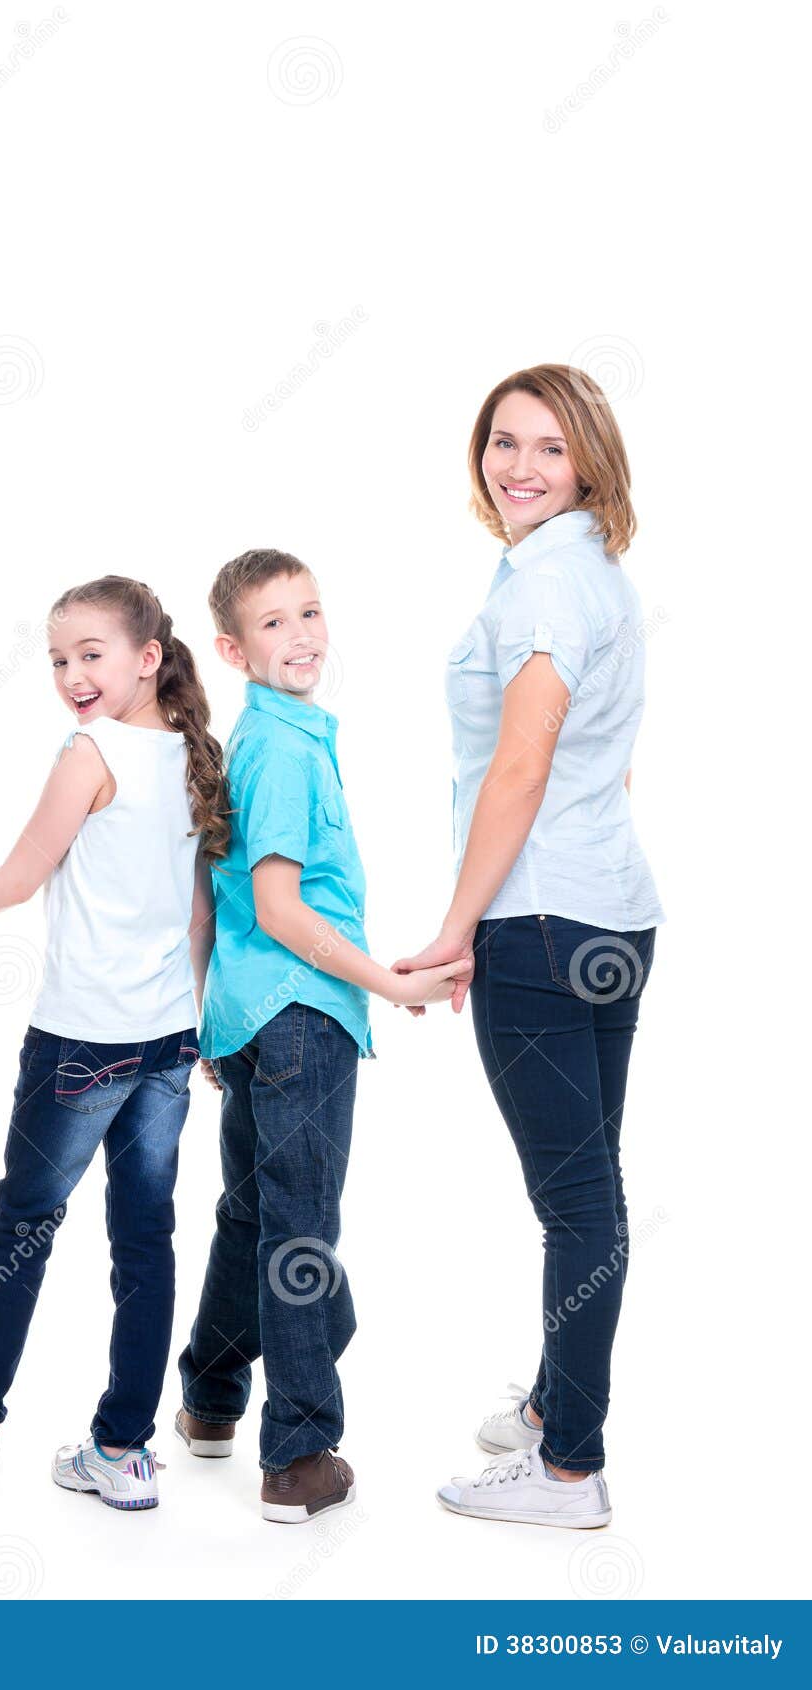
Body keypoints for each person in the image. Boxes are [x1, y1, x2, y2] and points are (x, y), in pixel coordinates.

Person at [0, 576, 225, 1512]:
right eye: (58, 660)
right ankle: (125, 1448)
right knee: (146, 1241)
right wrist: (198, 1021)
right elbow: (197, 914)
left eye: (90, 654)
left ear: (147, 658)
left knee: (22, 1227)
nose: (71, 675)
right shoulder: (188, 755)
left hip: (80, 1042)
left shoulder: (89, 751)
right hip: (164, 1042)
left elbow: (22, 878)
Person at [395, 365, 663, 1529]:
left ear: (588, 464)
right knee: (591, 1185)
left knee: (576, 1206)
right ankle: (556, 1407)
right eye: (502, 442)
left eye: (548, 449)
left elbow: (521, 765)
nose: (517, 466)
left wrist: (456, 930)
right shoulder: (589, 574)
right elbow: (595, 761)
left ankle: (567, 1470)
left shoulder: (541, 595)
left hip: (540, 923)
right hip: (609, 912)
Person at [173, 549, 468, 1524]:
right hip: (301, 1017)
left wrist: (215, 1017)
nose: (298, 635)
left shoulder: (264, 737)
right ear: (230, 645)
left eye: (307, 612)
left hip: (253, 1016)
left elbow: (214, 906)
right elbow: (279, 905)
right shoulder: (286, 751)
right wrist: (388, 982)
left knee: (255, 1219)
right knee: (299, 1234)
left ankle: (212, 1400)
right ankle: (298, 1456)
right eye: (271, 622)